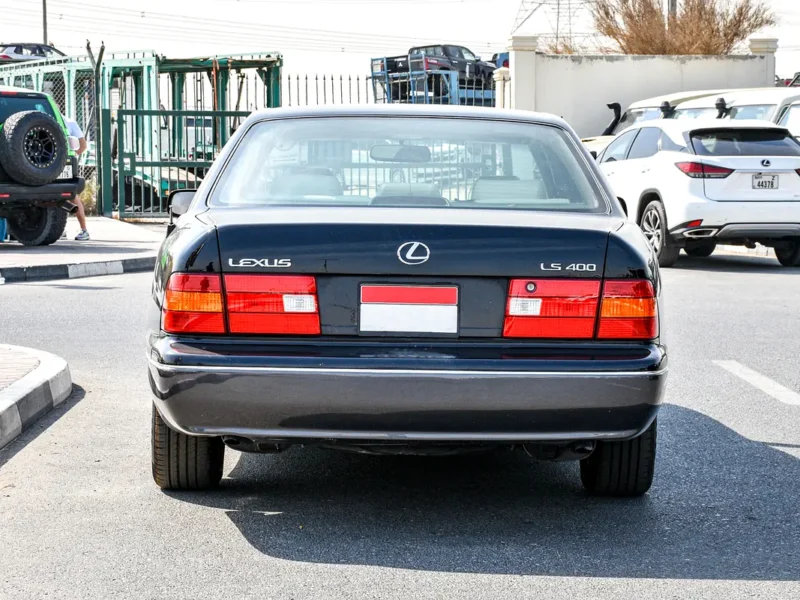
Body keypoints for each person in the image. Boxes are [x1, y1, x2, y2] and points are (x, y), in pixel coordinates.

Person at [64, 117, 90, 241]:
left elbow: (83, 145)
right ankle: (60, 229)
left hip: (63, 163)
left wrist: (73, 154)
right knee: (55, 195)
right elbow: (83, 145)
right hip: (62, 162)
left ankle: (84, 229)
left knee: (71, 195)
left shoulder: (69, 122)